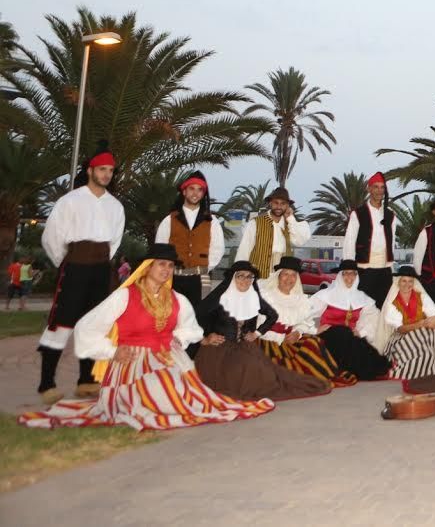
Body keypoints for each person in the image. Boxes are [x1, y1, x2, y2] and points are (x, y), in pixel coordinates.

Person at [18, 243, 274, 430]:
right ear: (147, 266)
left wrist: (179, 338)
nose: (166, 269)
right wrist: (112, 351)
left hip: (169, 358)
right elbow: (87, 327)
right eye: (161, 264)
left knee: (192, 399)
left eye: (171, 265)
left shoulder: (178, 299)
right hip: (133, 360)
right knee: (154, 399)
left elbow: (193, 328)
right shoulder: (124, 296)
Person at [36, 147, 125, 405]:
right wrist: (66, 263)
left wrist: (101, 262)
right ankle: (46, 383)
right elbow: (51, 237)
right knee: (61, 323)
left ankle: (86, 381)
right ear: (90, 170)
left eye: (110, 170)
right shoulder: (70, 201)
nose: (106, 174)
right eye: (102, 170)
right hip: (75, 265)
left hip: (101, 269)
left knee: (95, 323)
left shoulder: (115, 206)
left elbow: (115, 242)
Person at [194, 261, 331, 401]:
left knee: (266, 372)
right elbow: (193, 318)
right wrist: (205, 338)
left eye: (249, 277)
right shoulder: (220, 298)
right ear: (232, 278)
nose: (245, 280)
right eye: (240, 276)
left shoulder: (253, 298)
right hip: (219, 350)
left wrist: (257, 333)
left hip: (244, 345)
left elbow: (272, 316)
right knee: (249, 371)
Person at [257, 256, 356, 387]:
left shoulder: (300, 300)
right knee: (284, 367)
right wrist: (281, 337)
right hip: (268, 341)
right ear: (278, 276)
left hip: (290, 340)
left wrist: (297, 333)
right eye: (285, 274)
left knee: (313, 343)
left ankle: (321, 373)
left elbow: (305, 322)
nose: (289, 279)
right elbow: (258, 325)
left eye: (293, 275)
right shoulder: (265, 296)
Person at [308, 260, 391, 380]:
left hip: (350, 338)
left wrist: (361, 332)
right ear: (340, 276)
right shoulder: (325, 295)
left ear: (356, 276)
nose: (349, 277)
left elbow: (373, 318)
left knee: (360, 343)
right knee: (343, 333)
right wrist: (315, 330)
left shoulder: (362, 298)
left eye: (353, 274)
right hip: (329, 336)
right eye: (345, 273)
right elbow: (305, 313)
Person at [153, 171, 225, 307]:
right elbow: (160, 248)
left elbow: (218, 248)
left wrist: (205, 267)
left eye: (200, 190)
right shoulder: (169, 220)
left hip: (200, 278)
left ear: (203, 194)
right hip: (174, 277)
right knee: (172, 312)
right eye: (191, 188)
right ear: (184, 191)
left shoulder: (211, 221)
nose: (195, 193)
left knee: (199, 317)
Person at [380, 265, 435, 380]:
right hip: (403, 336)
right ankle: (422, 369)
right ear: (398, 282)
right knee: (422, 348)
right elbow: (400, 329)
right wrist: (421, 324)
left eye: (410, 281)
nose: (407, 284)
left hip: (425, 332)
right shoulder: (392, 303)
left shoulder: (422, 297)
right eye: (404, 281)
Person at [341, 171, 398, 305]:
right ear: (369, 189)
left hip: (385, 269)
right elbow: (350, 241)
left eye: (382, 187)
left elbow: (392, 242)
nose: (379, 191)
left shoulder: (390, 215)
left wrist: (390, 266)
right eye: (376, 187)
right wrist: (349, 267)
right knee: (363, 306)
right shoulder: (358, 214)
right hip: (364, 269)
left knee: (383, 306)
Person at [235, 185, 311, 278]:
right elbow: (244, 250)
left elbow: (300, 241)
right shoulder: (255, 223)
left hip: (281, 276)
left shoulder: (290, 225)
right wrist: (240, 274)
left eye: (283, 203)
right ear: (270, 203)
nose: (279, 206)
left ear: (288, 205)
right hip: (259, 276)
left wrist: (291, 218)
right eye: (276, 203)